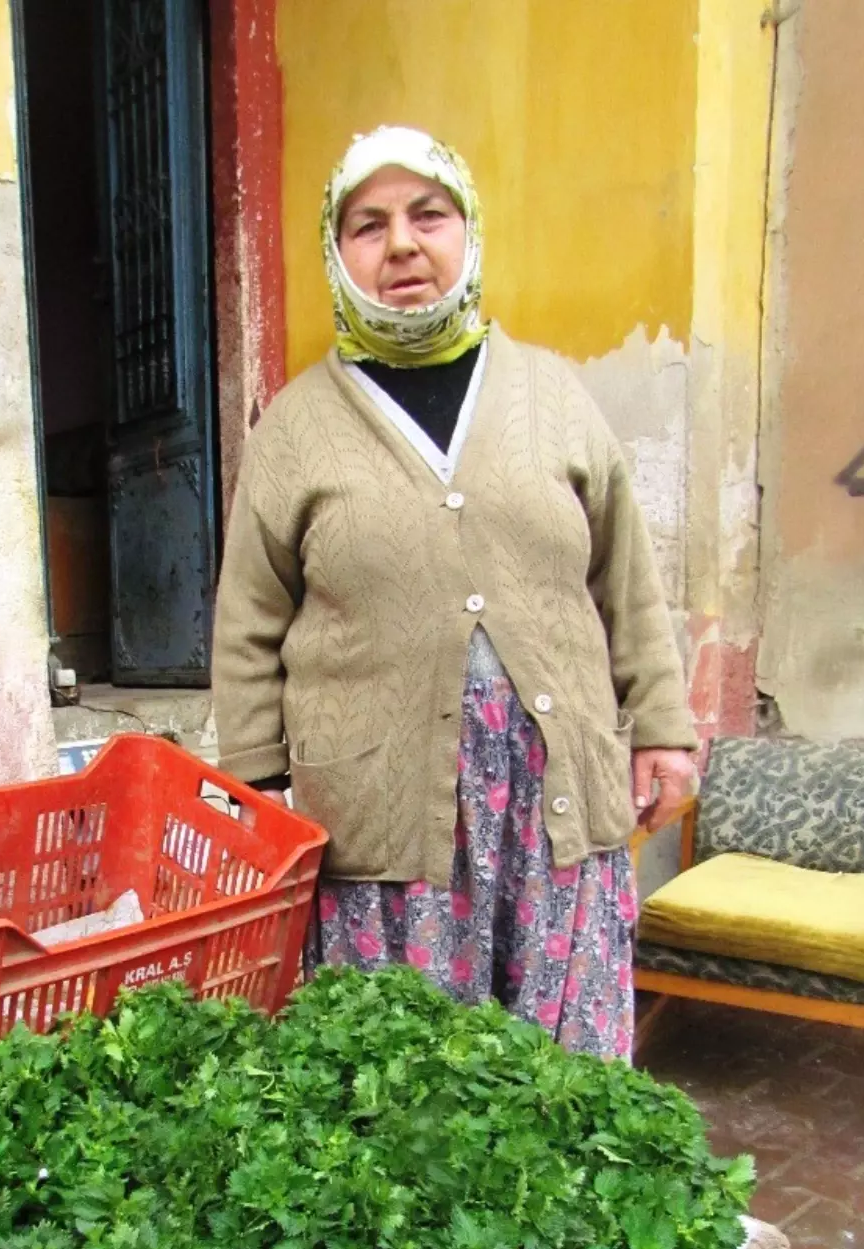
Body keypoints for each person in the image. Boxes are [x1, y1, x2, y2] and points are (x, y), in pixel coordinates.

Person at [212, 125, 697, 1061]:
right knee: (411, 1097)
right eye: (369, 224)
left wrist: (663, 726)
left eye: (428, 215)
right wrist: (254, 783)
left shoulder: (553, 396)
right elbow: (248, 624)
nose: (402, 245)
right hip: (380, 826)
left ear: (467, 233)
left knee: (565, 1094)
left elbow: (624, 576)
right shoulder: (297, 428)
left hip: (554, 812)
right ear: (336, 251)